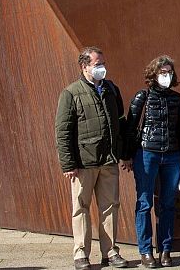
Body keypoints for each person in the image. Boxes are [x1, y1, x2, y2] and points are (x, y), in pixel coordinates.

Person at [55, 46, 128, 270]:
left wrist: (123, 154)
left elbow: (121, 122)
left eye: (103, 64)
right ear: (84, 66)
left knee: (110, 207)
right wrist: (68, 164)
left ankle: (110, 252)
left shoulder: (111, 89)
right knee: (81, 208)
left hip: (108, 160)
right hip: (83, 163)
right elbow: (63, 130)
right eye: (97, 65)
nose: (102, 69)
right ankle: (81, 255)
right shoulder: (71, 93)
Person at [121, 56, 180, 268]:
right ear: (153, 74)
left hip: (172, 156)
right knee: (144, 203)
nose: (166, 76)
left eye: (169, 72)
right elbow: (130, 128)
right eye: (162, 72)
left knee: (168, 204)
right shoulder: (143, 96)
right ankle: (145, 251)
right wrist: (126, 156)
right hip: (146, 154)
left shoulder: (177, 99)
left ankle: (166, 250)